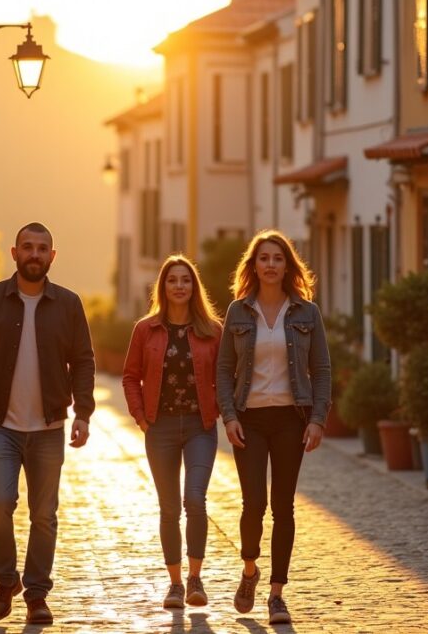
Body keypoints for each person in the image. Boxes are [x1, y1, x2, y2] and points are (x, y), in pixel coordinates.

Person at [0, 222, 95, 625]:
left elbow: (84, 361)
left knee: (44, 514)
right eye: (28, 248)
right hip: (1, 425)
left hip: (49, 429)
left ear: (53, 256)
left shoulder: (69, 304)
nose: (35, 255)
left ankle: (36, 593)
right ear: (14, 253)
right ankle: (5, 581)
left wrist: (83, 413)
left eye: (42, 249)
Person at [215, 229, 330, 626]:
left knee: (283, 507)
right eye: (263, 258)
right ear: (254, 265)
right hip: (249, 419)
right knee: (253, 504)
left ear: (287, 265)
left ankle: (277, 595)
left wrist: (317, 419)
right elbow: (225, 369)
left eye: (277, 258)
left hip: (289, 420)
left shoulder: (306, 313)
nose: (270, 264)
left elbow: (322, 368)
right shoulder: (237, 310)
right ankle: (250, 571)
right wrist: (229, 416)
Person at [122, 255, 223, 610]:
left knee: (194, 499)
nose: (179, 286)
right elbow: (130, 376)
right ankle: (176, 584)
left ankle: (196, 579)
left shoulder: (213, 331)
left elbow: (226, 377)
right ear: (163, 287)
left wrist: (223, 412)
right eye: (172, 280)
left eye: (186, 280)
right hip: (160, 427)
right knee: (168, 508)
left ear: (194, 287)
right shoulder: (145, 329)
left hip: (200, 427)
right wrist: (140, 417)